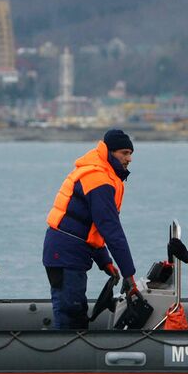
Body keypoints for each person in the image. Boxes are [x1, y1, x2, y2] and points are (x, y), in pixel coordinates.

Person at [42, 129, 138, 329]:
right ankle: (65, 358)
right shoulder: (99, 179)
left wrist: (105, 261)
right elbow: (111, 230)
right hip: (66, 254)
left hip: (70, 251)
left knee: (75, 309)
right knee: (70, 312)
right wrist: (130, 276)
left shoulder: (102, 174)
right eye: (124, 153)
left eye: (130, 153)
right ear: (109, 152)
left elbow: (89, 227)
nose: (129, 159)